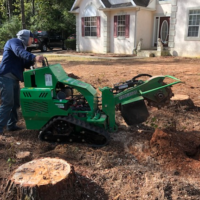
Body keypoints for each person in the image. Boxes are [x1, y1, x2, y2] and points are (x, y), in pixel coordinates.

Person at [0, 29, 44, 135]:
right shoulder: (14, 42)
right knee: (7, 103)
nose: (32, 40)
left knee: (15, 103)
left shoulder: (22, 47)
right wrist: (34, 57)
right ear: (25, 37)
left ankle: (11, 125)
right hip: (6, 77)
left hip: (14, 79)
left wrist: (32, 63)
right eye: (31, 38)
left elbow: (24, 62)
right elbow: (19, 52)